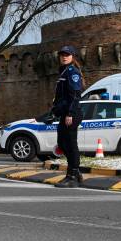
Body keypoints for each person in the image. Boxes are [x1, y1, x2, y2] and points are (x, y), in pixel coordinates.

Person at [51, 45, 84, 188]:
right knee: (63, 144)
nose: (64, 57)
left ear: (73, 56)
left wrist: (70, 113)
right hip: (65, 113)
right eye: (62, 54)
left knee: (70, 144)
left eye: (67, 55)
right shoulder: (64, 71)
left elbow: (75, 94)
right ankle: (75, 172)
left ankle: (72, 176)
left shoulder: (72, 71)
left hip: (72, 113)